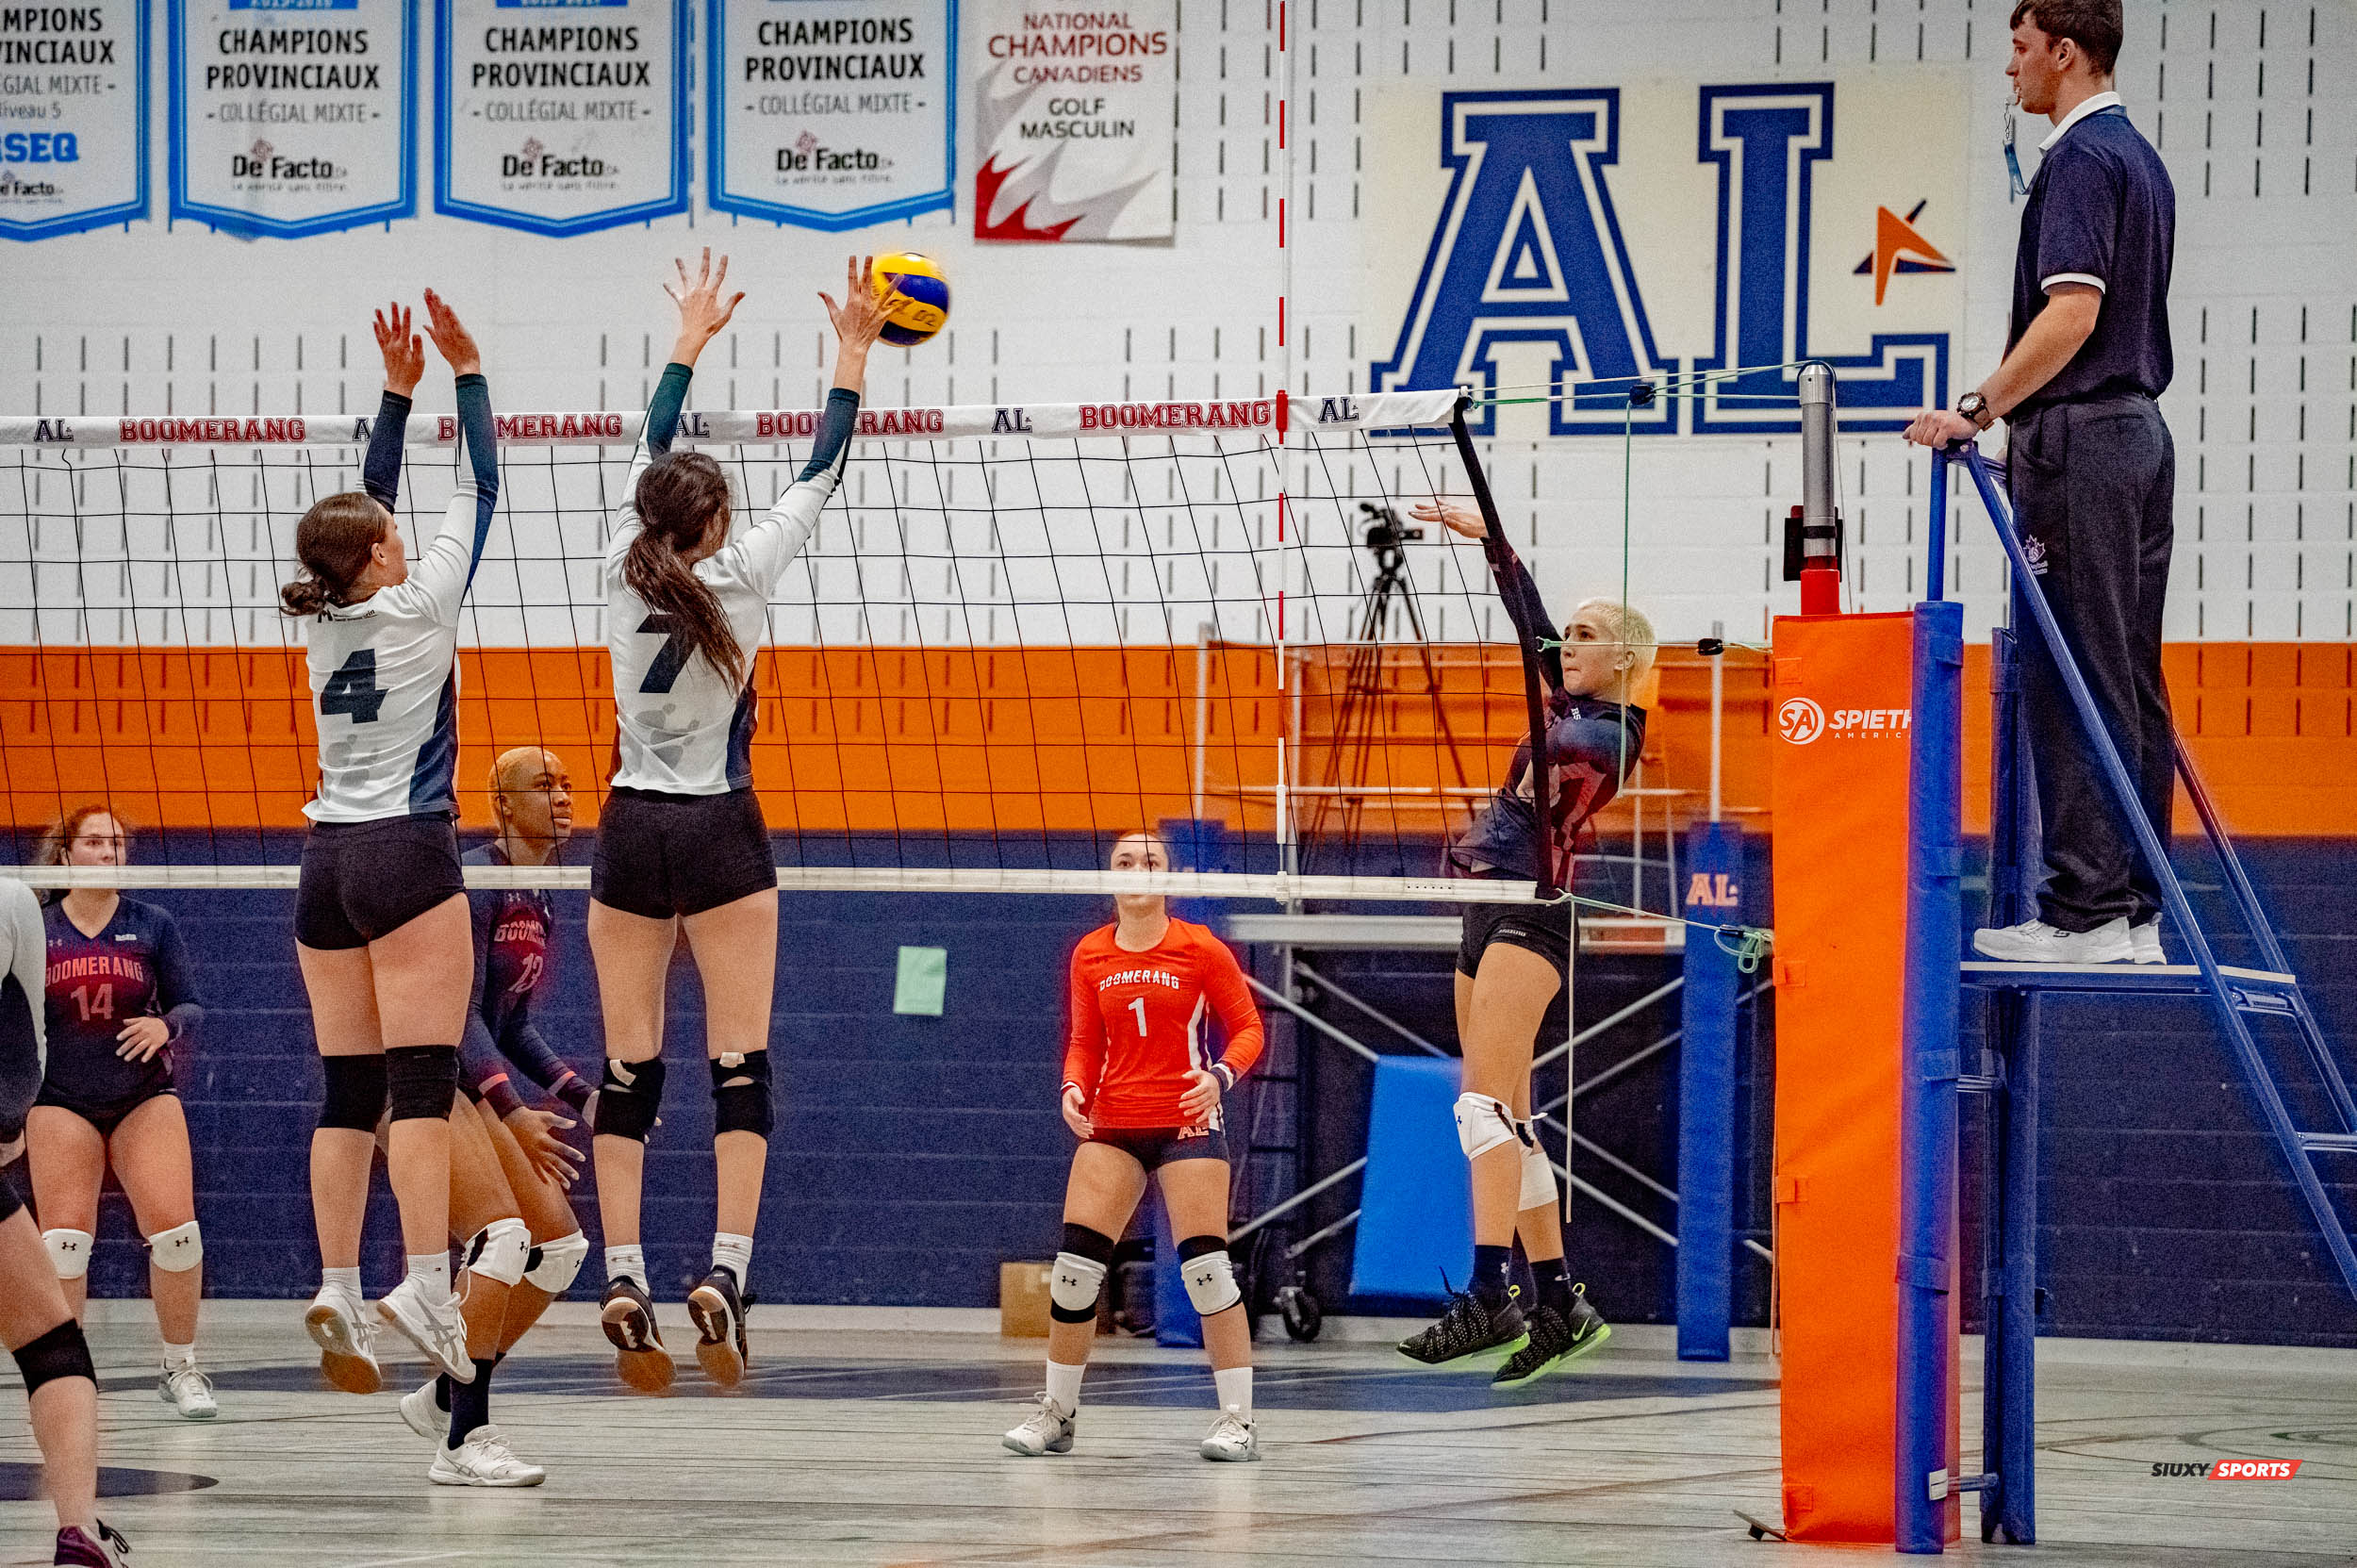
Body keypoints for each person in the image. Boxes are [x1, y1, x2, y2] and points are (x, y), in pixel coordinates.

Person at [587, 252, 898, 1392]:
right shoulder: (750, 569)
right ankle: (725, 1268)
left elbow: (652, 439)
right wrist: (853, 352)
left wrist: (688, 335)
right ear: (715, 525)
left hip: (630, 828)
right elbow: (823, 466)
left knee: (628, 1069)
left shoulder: (615, 570)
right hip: (721, 828)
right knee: (737, 1062)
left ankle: (621, 1273)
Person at [1904, 0, 2176, 966]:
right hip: (2138, 438)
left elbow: (2069, 317)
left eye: (2020, 48)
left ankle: (2084, 910)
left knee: (2072, 674)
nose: (2010, 67)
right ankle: (2135, 908)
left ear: (2065, 52)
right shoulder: (2139, 158)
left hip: (2082, 444)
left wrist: (1976, 410)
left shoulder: (2077, 161)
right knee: (2126, 671)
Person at [282, 292, 498, 1392]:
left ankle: (331, 1278)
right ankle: (420, 1278)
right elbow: (483, 486)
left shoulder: (321, 613)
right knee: (420, 1083)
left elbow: (362, 506)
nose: (399, 530)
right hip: (408, 854)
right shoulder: (420, 602)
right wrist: (465, 375)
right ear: (374, 552)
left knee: (343, 1090)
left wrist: (394, 393)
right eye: (386, 533)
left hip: (324, 866)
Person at [1393, 497, 1647, 1385]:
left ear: (1625, 657)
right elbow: (1534, 629)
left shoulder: (1608, 730)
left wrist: (1469, 842)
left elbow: (1544, 780)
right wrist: (1494, 544)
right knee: (1514, 1117)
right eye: (1568, 635)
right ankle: (1561, 1300)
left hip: (1531, 911)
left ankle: (1490, 1290)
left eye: (1586, 636)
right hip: (1483, 910)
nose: (1567, 644)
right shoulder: (1568, 700)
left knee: (1479, 1106)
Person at [1003, 831, 1267, 1461]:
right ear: (1110, 876)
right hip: (1114, 1122)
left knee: (1206, 1270)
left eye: (1149, 860)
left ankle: (1239, 1419)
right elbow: (1085, 1041)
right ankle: (1057, 1412)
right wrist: (1072, 1084)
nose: (1137, 869)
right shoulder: (1090, 953)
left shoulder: (1200, 948)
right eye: (1124, 860)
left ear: (1168, 876)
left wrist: (1219, 1076)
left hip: (1186, 1124)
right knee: (1073, 1274)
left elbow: (1250, 1027)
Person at [381, 746, 593, 1486]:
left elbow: (511, 1024)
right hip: (414, 1076)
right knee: (501, 1236)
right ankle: (465, 1438)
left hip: (470, 1077)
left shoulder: (538, 893)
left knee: (559, 1249)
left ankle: (444, 1391)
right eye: (545, 785)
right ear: (502, 804)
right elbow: (459, 1012)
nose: (565, 797)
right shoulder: (474, 882)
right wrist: (511, 1111)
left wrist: (580, 1093)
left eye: (567, 784)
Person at [27, 808, 214, 1419]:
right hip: (60, 1098)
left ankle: (180, 1365)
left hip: (141, 1096)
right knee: (63, 1245)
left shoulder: (151, 924)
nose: (108, 852)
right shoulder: (35, 926)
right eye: (94, 841)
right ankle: (67, 1374)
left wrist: (166, 1025)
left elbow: (190, 1003)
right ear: (66, 854)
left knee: (178, 1236)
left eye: (116, 843)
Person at [2, 873, 129, 1567]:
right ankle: (79, 1530)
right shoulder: (13, 901)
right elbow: (26, 1052)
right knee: (52, 1341)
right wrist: (9, 1128)